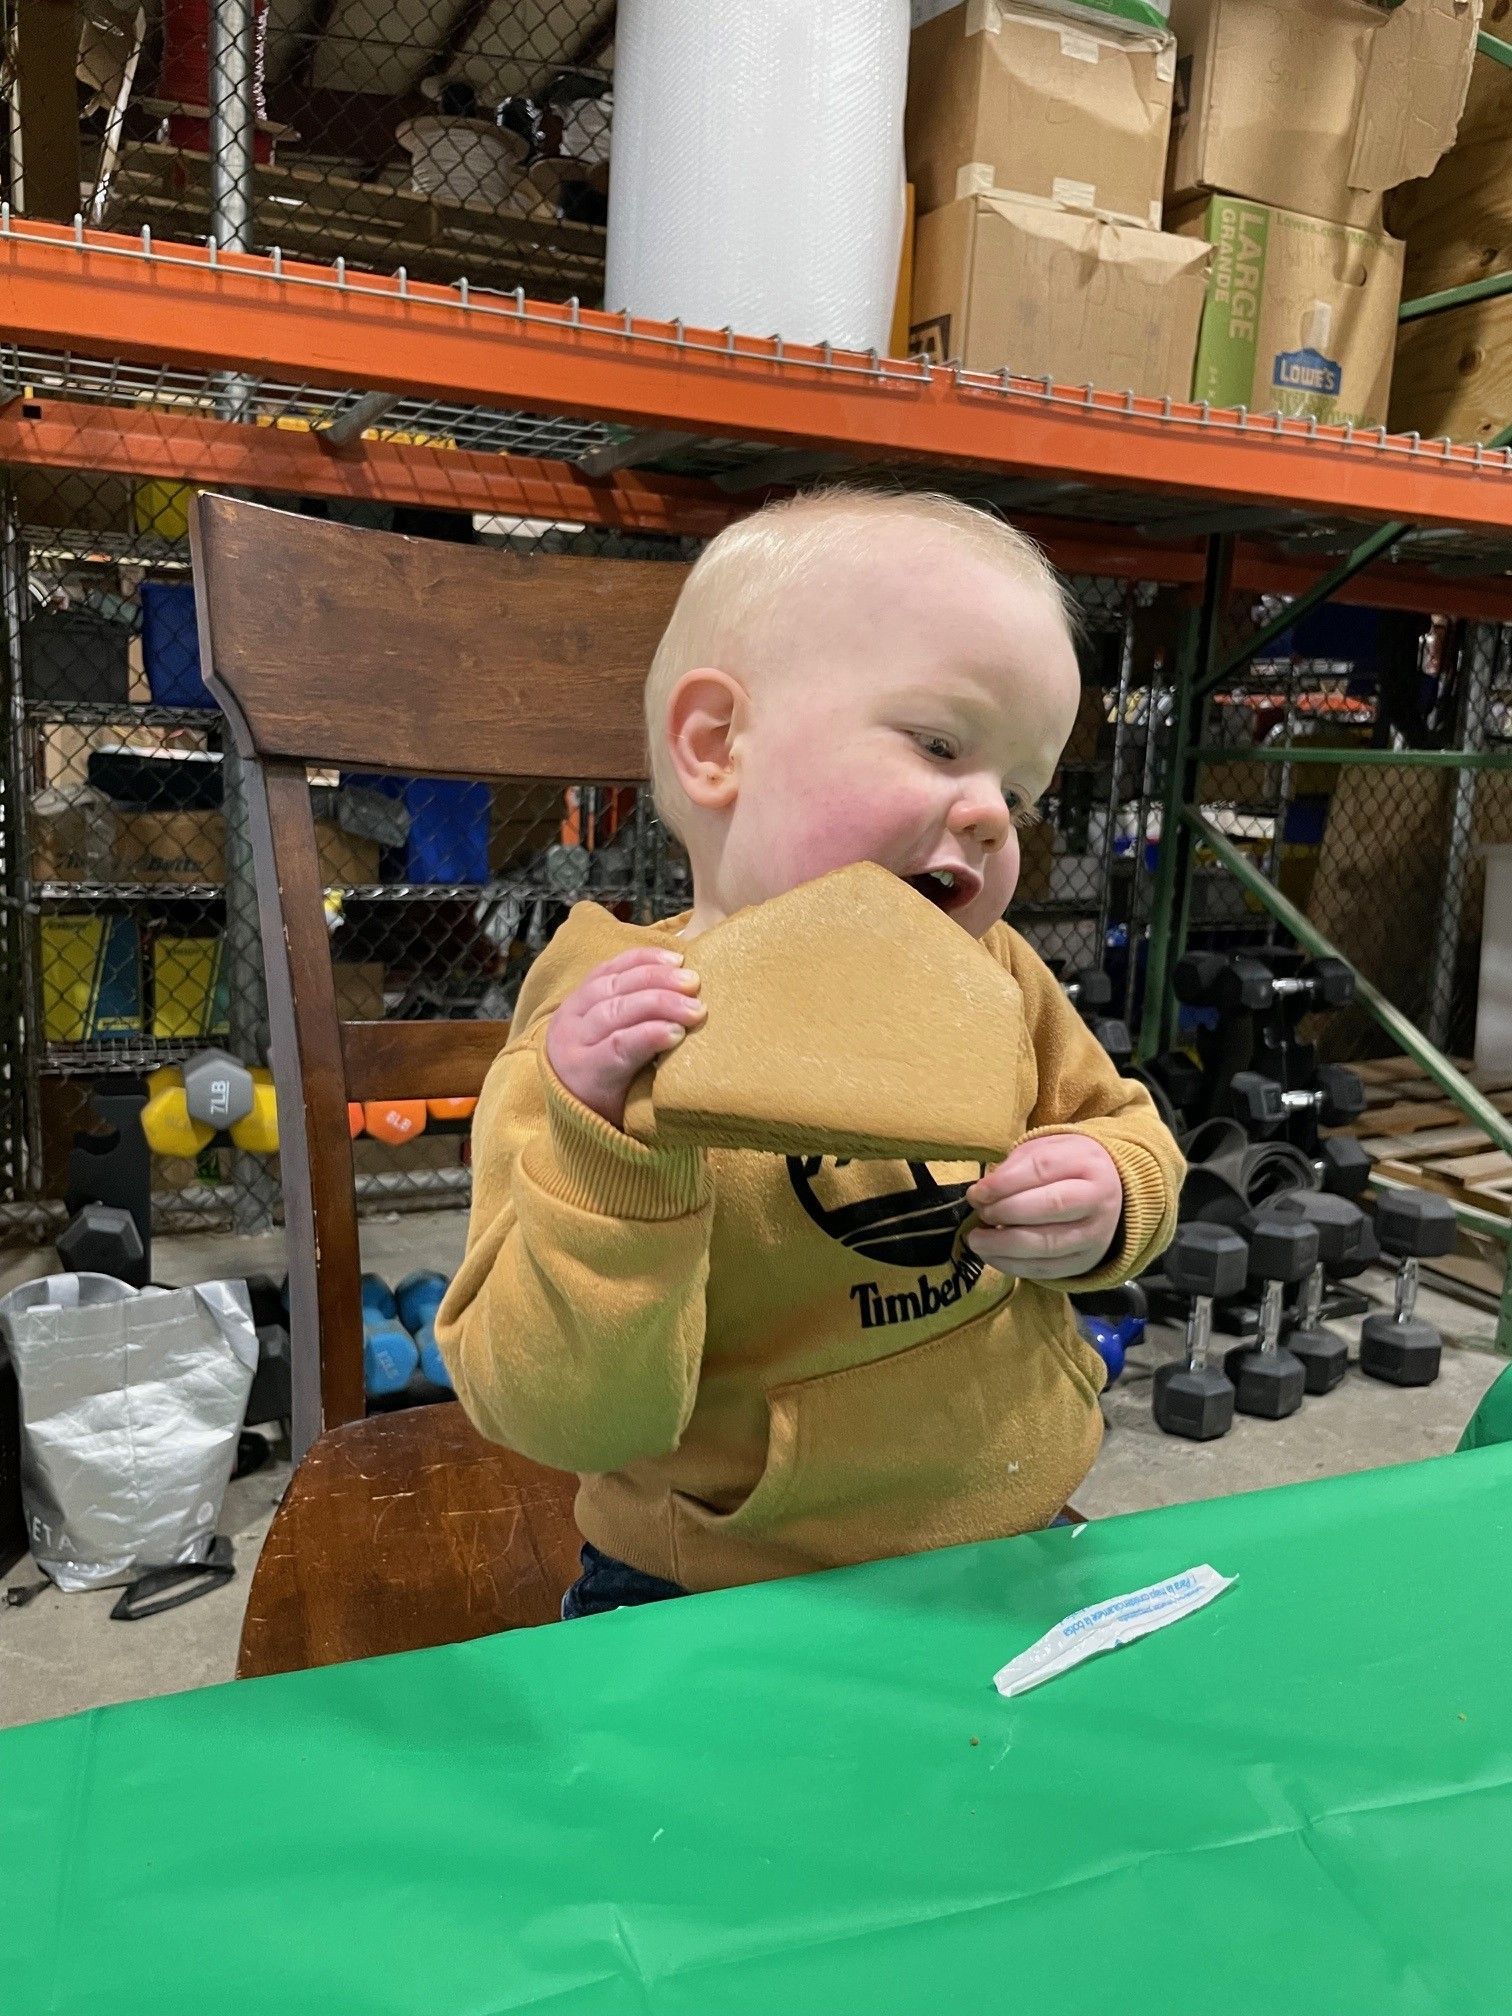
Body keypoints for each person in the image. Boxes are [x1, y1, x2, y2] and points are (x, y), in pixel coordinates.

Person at [434, 490, 1183, 1619]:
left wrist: (1113, 1196)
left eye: (1021, 793)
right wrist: (608, 1156)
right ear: (716, 745)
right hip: (723, 1586)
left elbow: (1123, 1125)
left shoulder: (995, 973)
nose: (993, 815)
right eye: (939, 744)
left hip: (1020, 1529)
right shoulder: (597, 1051)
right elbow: (564, 1418)